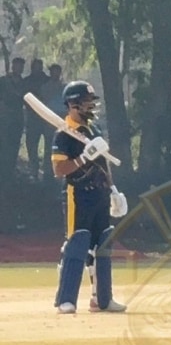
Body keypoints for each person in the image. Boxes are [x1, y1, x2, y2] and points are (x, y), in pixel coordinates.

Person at [51, 80, 128, 314]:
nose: (91, 107)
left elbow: (103, 161)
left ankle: (102, 299)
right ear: (73, 104)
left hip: (100, 194)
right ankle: (66, 300)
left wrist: (113, 189)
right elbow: (59, 170)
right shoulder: (63, 133)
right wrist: (84, 157)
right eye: (86, 102)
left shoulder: (94, 129)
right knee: (78, 244)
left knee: (103, 245)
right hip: (78, 195)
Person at [22, 58, 52, 179]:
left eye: (39, 67)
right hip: (32, 117)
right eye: (35, 67)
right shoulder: (27, 81)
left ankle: (48, 171)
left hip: (46, 117)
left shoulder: (48, 81)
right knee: (31, 144)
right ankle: (34, 170)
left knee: (49, 145)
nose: (37, 69)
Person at [0, 57, 25, 195]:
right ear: (13, 67)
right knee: (4, 146)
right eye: (17, 65)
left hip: (17, 117)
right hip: (4, 118)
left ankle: (10, 173)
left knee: (14, 145)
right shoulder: (3, 81)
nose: (19, 68)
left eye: (21, 66)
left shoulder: (23, 83)